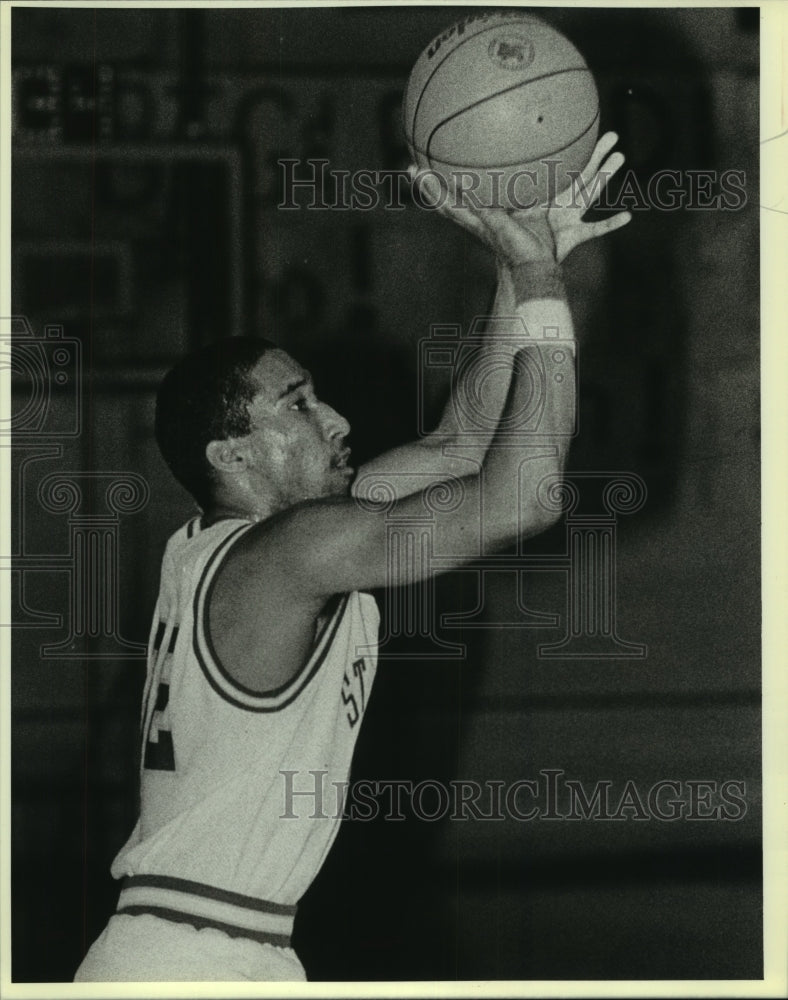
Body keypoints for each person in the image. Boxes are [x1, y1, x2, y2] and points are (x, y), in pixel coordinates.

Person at [74, 133, 630, 982]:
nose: (335, 420)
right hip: (190, 957)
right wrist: (545, 283)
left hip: (208, 944)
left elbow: (463, 442)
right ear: (234, 455)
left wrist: (520, 266)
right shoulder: (288, 553)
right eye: (299, 405)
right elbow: (525, 496)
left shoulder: (252, 545)